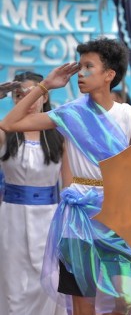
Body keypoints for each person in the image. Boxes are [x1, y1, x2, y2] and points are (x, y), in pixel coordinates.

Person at [0, 38, 131, 315]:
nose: (81, 73)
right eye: (80, 66)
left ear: (109, 75)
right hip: (78, 218)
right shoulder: (70, 113)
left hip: (116, 216)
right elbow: (10, 123)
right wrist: (45, 86)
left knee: (126, 300)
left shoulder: (130, 116)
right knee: (82, 300)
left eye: (89, 67)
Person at [0, 72, 68, 315]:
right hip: (11, 220)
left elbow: (68, 185)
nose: (26, 102)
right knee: (13, 285)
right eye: (19, 96)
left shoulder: (59, 134)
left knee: (48, 284)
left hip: (50, 220)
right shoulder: (5, 132)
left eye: (32, 95)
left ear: (44, 96)